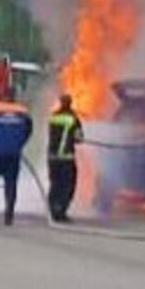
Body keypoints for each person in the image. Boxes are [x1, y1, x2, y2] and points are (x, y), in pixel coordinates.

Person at [0, 92, 33, 225]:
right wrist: (19, 144)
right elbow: (28, 131)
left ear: (3, 97)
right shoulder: (23, 112)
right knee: (11, 185)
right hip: (13, 154)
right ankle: (8, 216)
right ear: (14, 97)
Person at [47, 93, 85, 222]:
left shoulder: (53, 117)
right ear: (70, 103)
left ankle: (52, 211)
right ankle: (61, 212)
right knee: (67, 186)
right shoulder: (73, 118)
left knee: (54, 185)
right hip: (66, 158)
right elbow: (79, 138)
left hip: (52, 157)